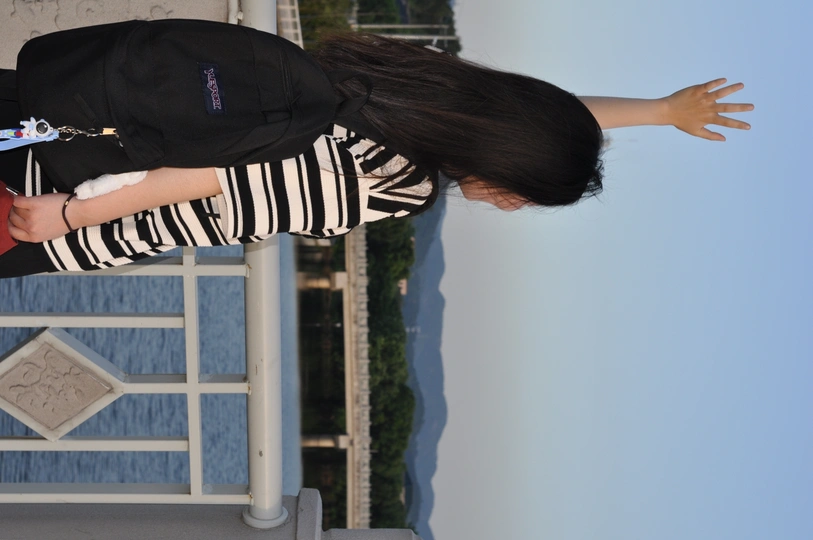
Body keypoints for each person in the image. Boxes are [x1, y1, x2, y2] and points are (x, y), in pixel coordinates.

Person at [0, 30, 753, 278]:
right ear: (508, 166)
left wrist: (660, 112)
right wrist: (71, 218)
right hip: (50, 197)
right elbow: (212, 175)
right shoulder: (394, 183)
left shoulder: (377, 91)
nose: (511, 205)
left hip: (53, 119)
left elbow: (530, 119)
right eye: (524, 193)